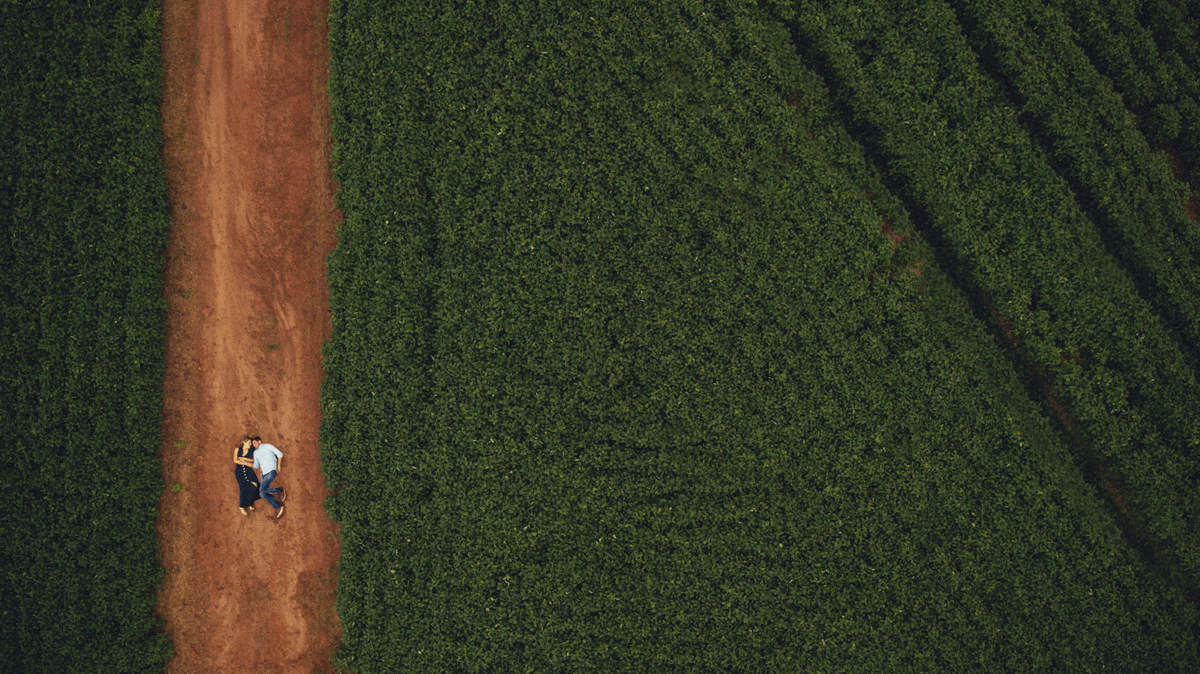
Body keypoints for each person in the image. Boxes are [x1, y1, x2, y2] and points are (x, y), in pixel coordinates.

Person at [251, 435, 285, 519]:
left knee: (261, 490)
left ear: (259, 441)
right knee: (262, 493)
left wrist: (279, 465)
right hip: (263, 474)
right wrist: (244, 462)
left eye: (254, 442)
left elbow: (280, 454)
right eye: (252, 444)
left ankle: (279, 505)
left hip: (271, 471)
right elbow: (255, 465)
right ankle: (279, 491)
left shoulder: (268, 446)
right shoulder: (255, 453)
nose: (253, 445)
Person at [233, 436, 260, 516]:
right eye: (249, 443)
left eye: (251, 443)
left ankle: (250, 501)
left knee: (255, 485)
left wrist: (242, 459)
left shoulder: (251, 450)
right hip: (240, 472)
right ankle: (242, 506)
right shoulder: (237, 449)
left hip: (249, 471)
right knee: (244, 488)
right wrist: (246, 462)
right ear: (244, 442)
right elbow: (235, 460)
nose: (250, 444)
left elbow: (252, 461)